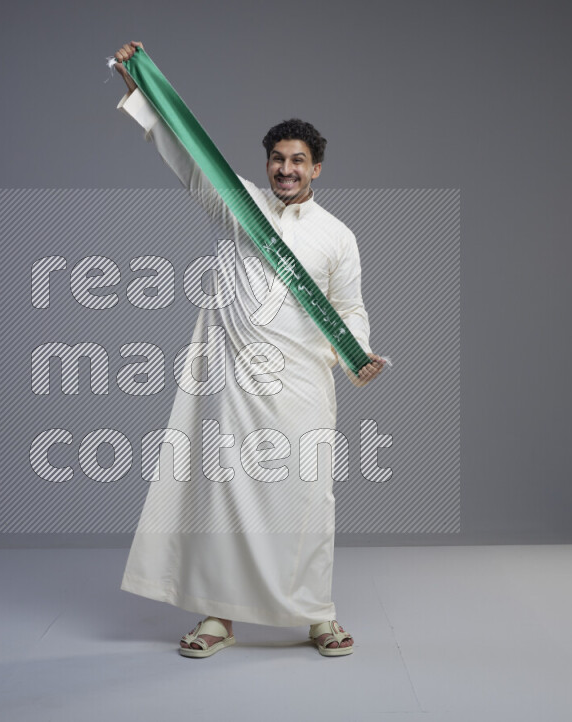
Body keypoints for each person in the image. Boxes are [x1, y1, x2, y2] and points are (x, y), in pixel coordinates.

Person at [112, 41, 386, 657]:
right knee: (222, 496)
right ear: (265, 165)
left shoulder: (338, 237)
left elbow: (349, 310)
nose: (285, 170)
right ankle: (217, 618)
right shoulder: (237, 206)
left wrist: (358, 353)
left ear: (317, 168)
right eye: (276, 160)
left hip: (303, 384)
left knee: (308, 497)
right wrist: (141, 88)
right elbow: (185, 152)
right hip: (231, 382)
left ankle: (316, 614)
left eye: (298, 161)